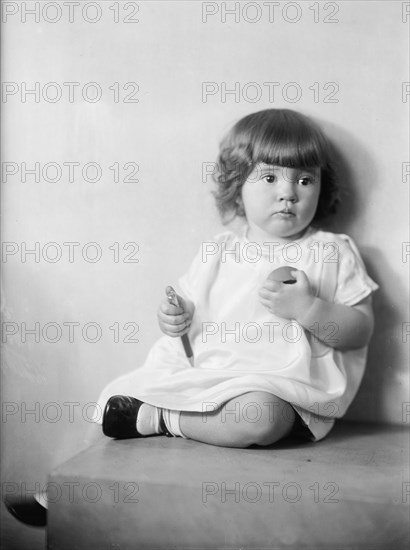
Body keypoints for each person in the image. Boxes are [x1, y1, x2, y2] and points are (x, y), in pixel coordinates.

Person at [100, 108, 378, 447]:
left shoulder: (332, 252)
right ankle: (54, 493)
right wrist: (175, 316)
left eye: (305, 180)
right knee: (115, 396)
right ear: (237, 185)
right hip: (210, 377)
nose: (289, 193)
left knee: (259, 417)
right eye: (270, 178)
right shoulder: (218, 252)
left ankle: (162, 418)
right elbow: (189, 312)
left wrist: (308, 309)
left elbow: (359, 332)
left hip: (287, 393)